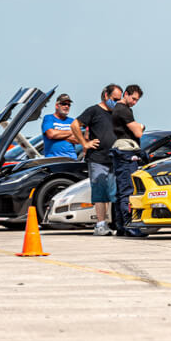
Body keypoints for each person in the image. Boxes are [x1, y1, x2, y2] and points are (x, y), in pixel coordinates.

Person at [71, 84, 121, 236]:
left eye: (119, 100)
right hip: (98, 159)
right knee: (100, 192)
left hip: (113, 158)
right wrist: (84, 143)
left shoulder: (117, 113)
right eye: (114, 99)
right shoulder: (94, 111)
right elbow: (74, 125)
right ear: (106, 95)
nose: (117, 102)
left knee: (110, 193)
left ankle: (106, 223)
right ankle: (99, 225)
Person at [111, 84, 146, 237]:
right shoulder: (123, 110)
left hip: (119, 151)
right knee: (128, 190)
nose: (134, 102)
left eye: (137, 100)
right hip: (126, 152)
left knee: (121, 191)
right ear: (126, 94)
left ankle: (121, 226)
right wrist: (142, 126)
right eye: (133, 98)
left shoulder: (118, 110)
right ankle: (130, 226)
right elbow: (138, 132)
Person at [41, 93, 76, 159]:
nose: (66, 106)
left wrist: (58, 134)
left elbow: (77, 139)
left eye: (69, 105)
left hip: (71, 159)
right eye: (64, 104)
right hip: (53, 160)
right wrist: (72, 132)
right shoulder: (49, 118)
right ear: (57, 105)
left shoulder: (72, 121)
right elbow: (51, 134)